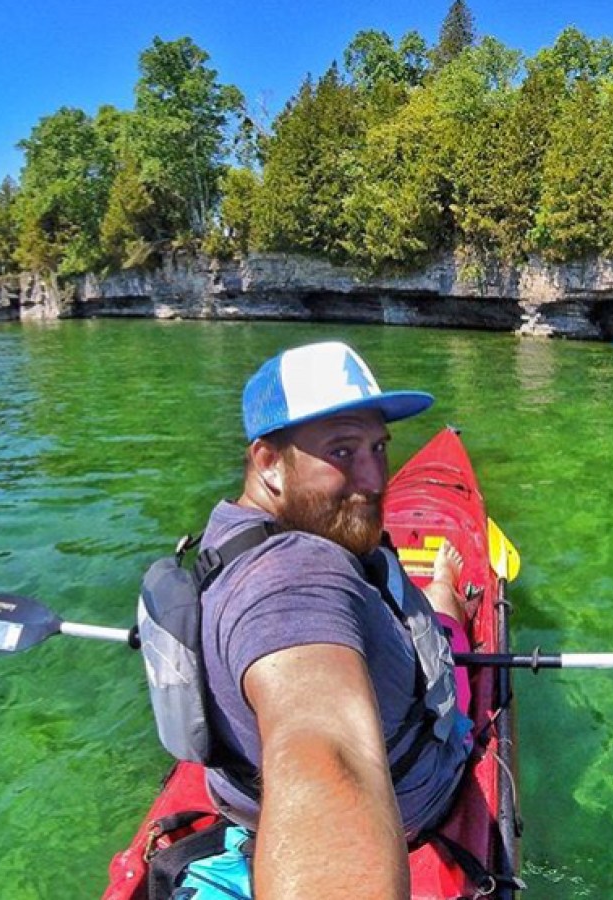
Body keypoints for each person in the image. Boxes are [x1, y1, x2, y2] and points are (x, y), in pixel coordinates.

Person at [199, 340, 473, 897]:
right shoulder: (293, 577)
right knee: (441, 625)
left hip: (247, 803)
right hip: (416, 806)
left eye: (379, 446)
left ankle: (435, 597)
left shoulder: (228, 531)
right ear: (269, 463)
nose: (374, 480)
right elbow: (328, 754)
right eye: (343, 452)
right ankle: (444, 591)